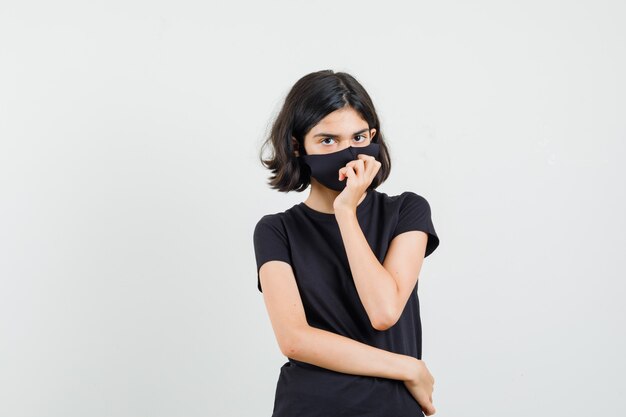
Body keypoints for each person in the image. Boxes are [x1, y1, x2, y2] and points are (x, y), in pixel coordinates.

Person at [253, 70, 441, 417]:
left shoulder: (406, 211)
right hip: (310, 408)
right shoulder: (276, 230)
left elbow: (383, 311)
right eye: (328, 140)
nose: (347, 152)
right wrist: (408, 368)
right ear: (297, 145)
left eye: (357, 137)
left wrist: (346, 213)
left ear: (372, 136)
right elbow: (294, 340)